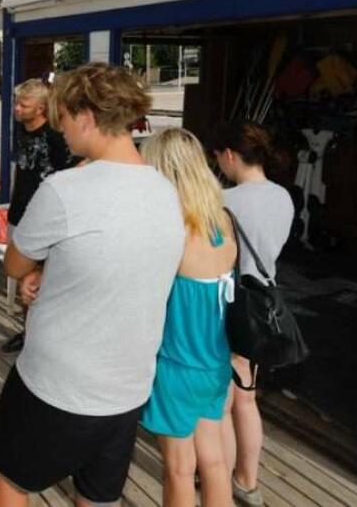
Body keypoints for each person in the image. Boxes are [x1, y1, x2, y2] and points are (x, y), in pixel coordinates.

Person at [0, 63, 184, 507]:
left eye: (64, 118)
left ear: (86, 117)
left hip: (57, 383)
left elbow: (16, 265)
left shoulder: (65, 189)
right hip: (128, 386)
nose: (61, 129)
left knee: (8, 478)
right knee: (97, 497)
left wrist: (38, 271)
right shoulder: (165, 191)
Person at [141, 129, 239, 507]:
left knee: (180, 470)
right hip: (214, 363)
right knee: (213, 460)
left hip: (176, 365)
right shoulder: (222, 224)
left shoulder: (170, 232)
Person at [211, 121, 294, 507]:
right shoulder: (284, 197)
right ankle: (248, 480)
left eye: (218, 158)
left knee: (224, 404)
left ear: (229, 155)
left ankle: (221, 488)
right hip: (264, 306)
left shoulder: (225, 201)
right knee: (247, 398)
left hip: (231, 306)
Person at [0, 78, 75, 354]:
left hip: (47, 219)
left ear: (41, 108)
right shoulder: (21, 130)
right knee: (24, 277)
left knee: (45, 277)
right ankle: (28, 330)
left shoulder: (57, 137)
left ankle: (43, 333)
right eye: (16, 103)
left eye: (23, 104)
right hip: (20, 213)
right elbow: (21, 171)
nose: (16, 109)